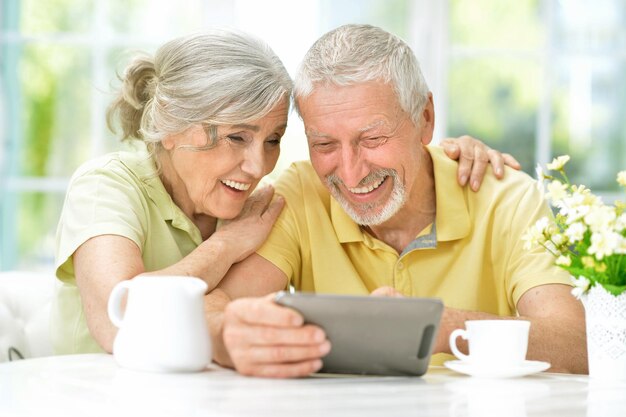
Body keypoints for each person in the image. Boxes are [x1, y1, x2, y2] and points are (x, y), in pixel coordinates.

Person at [52, 29, 512, 355]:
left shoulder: (252, 206)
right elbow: (120, 324)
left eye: (272, 140)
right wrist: (225, 247)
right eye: (236, 137)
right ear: (169, 125)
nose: (257, 166)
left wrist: (432, 153)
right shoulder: (106, 187)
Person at [207, 24, 588, 378]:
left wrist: (436, 327)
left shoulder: (508, 199)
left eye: (372, 139)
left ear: (425, 118)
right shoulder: (300, 194)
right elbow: (216, 309)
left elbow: (575, 345)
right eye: (324, 144)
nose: (351, 173)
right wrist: (230, 337)